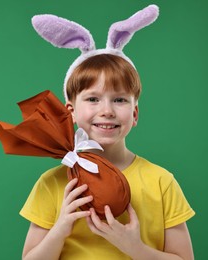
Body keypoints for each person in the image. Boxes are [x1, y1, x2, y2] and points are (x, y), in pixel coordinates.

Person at [20, 5, 195, 260]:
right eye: (92, 99)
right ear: (70, 112)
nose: (107, 110)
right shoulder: (53, 184)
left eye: (120, 100)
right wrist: (60, 229)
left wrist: (133, 247)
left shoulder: (161, 182)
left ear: (135, 114)